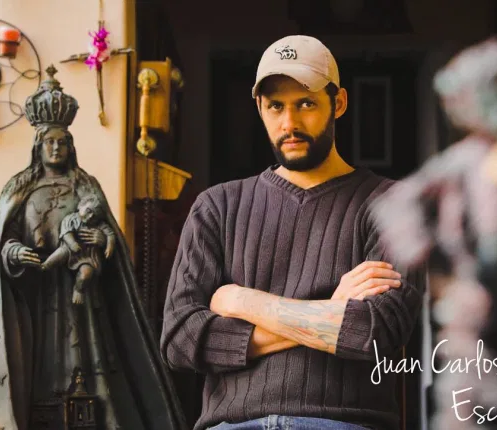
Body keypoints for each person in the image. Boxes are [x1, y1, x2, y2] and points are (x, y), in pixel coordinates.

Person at [160, 35, 426, 430]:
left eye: (306, 104)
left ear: (338, 103)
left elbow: (378, 330)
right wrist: (332, 308)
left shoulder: (394, 205)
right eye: (276, 106)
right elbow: (180, 339)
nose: (289, 123)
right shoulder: (216, 206)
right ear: (259, 108)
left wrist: (241, 300)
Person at [0, 66, 187, 430]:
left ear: (70, 145)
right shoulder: (20, 188)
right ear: (38, 146)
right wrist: (14, 253)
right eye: (49, 142)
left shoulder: (85, 185)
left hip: (81, 300)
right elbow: (1, 238)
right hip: (35, 297)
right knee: (36, 365)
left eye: (62, 142)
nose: (56, 148)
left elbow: (106, 232)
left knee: (82, 360)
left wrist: (103, 240)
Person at [40, 193, 115, 305]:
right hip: (70, 249)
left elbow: (110, 234)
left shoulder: (99, 224)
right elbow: (66, 233)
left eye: (95, 216)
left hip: (88, 257)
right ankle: (45, 266)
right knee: (60, 253)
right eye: (88, 211)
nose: (91, 217)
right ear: (80, 205)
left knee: (86, 274)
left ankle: (78, 289)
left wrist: (109, 246)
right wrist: (72, 243)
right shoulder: (71, 219)